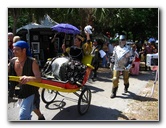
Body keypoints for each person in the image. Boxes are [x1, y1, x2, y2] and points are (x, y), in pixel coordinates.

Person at [8, 40, 45, 120]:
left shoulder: (32, 62)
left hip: (30, 92)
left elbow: (39, 79)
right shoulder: (13, 61)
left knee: (23, 116)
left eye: (16, 49)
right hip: (19, 91)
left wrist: (28, 78)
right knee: (32, 106)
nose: (13, 51)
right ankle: (41, 117)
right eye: (13, 49)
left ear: (24, 50)